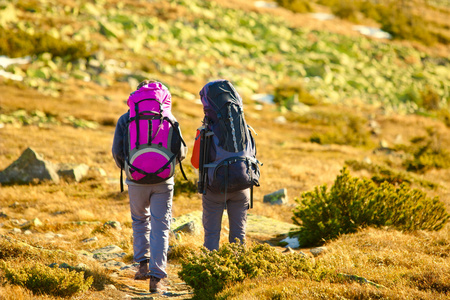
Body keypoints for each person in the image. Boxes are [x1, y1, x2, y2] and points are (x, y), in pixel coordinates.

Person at [112, 79, 187, 293]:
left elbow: (117, 152)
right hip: (164, 180)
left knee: (139, 220)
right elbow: (181, 152)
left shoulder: (126, 119)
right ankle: (156, 278)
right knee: (161, 225)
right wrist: (165, 166)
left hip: (135, 179)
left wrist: (130, 168)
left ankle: (142, 267)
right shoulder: (169, 117)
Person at [191, 79, 260, 251]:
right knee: (239, 235)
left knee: (212, 234)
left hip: (215, 188)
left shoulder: (205, 132)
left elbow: (195, 162)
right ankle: (237, 270)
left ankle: (210, 270)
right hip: (242, 186)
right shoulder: (246, 129)